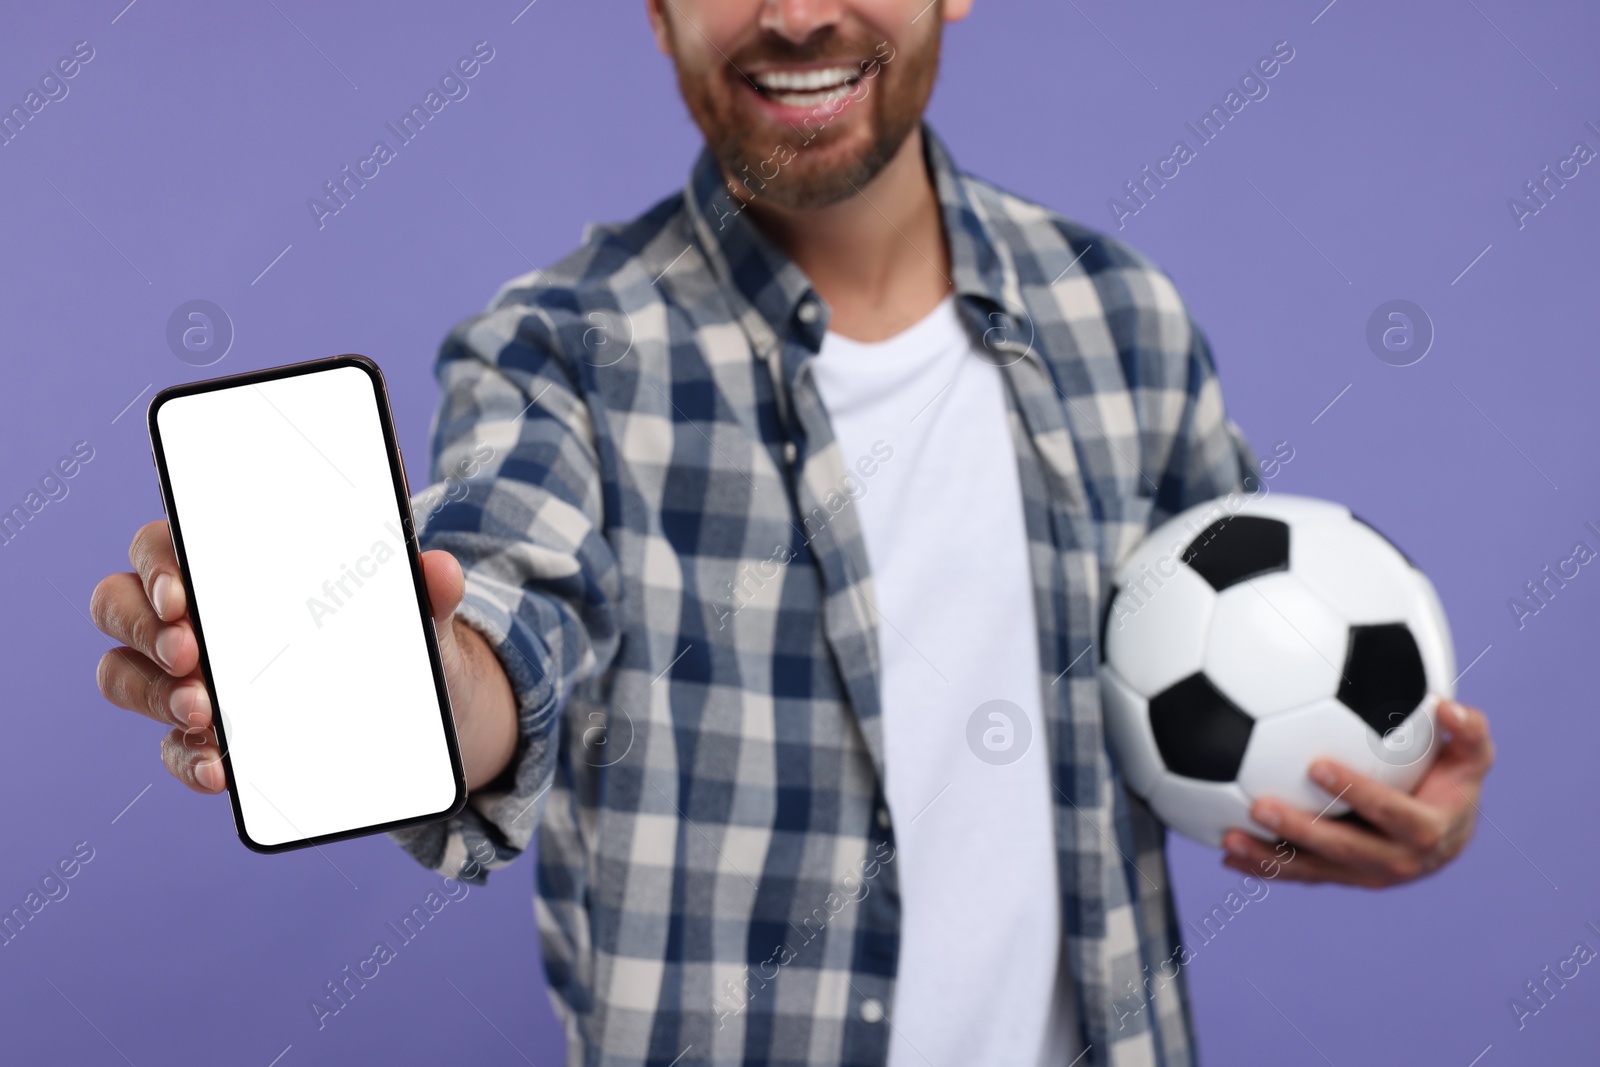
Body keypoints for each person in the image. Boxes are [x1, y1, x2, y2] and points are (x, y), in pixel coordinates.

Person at [88, 1, 1496, 1064]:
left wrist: (1384, 793)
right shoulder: (555, 352)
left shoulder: (1121, 316)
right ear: (656, 11)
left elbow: (1250, 653)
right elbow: (508, 623)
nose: (800, 12)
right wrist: (401, 665)